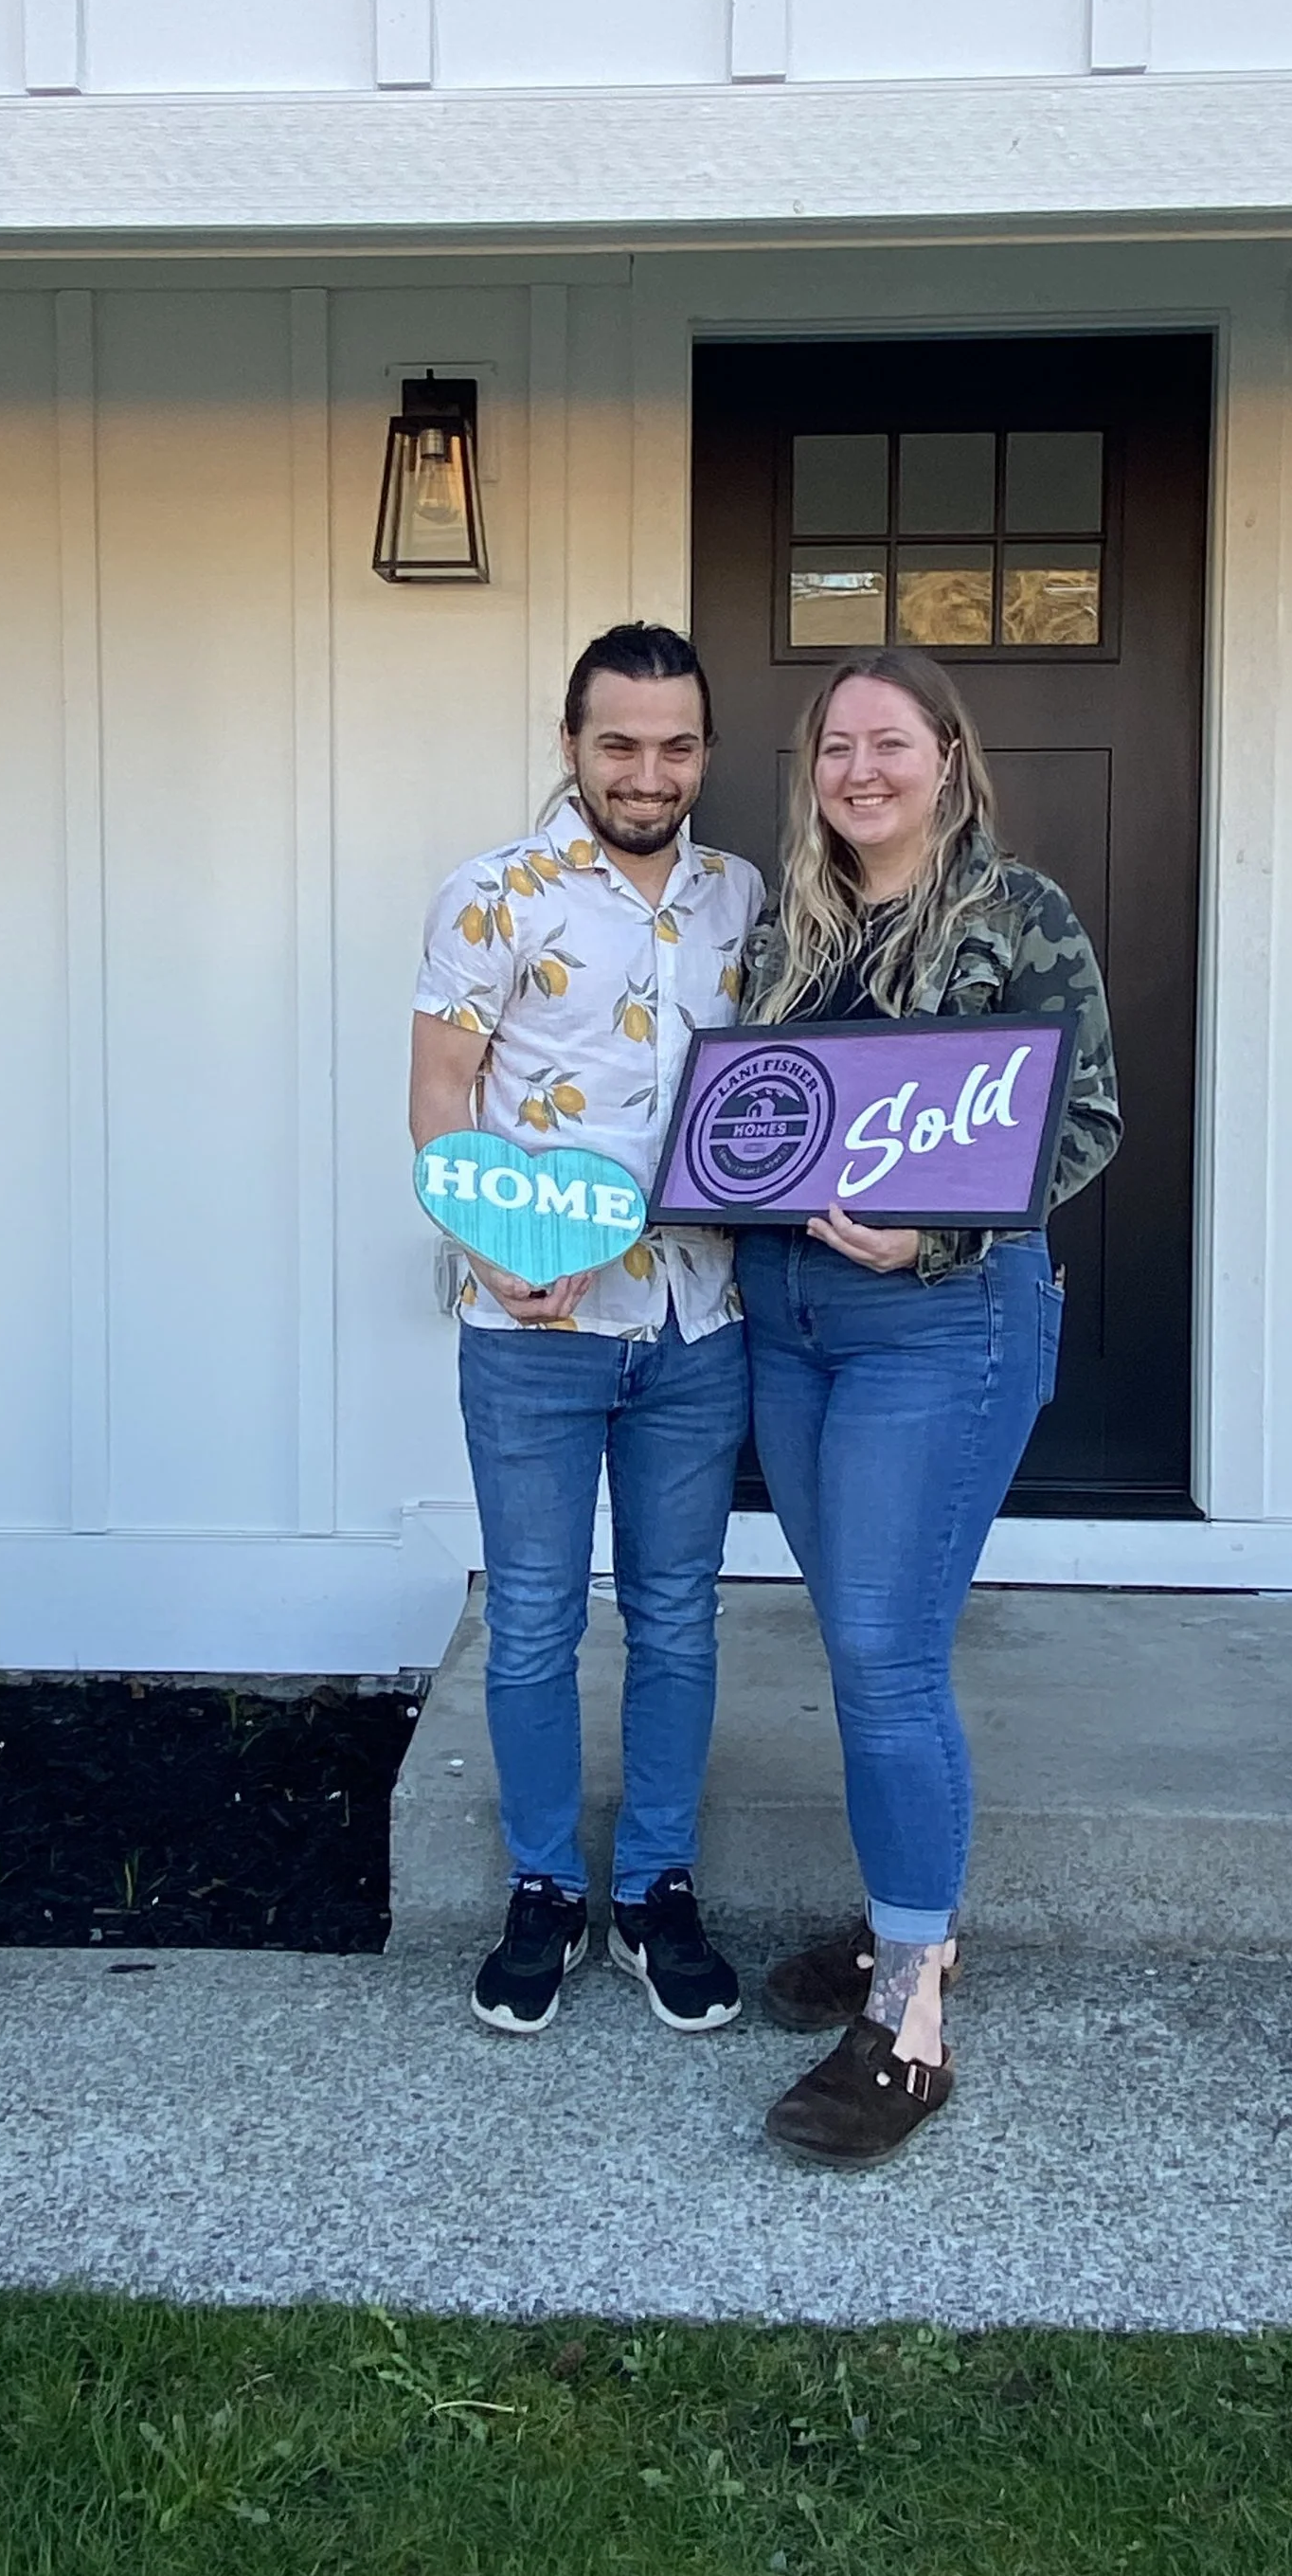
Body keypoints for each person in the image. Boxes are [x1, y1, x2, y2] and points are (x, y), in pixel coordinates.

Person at [734, 646, 1122, 2166]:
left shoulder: (1017, 917)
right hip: (791, 1323)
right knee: (858, 1648)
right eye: (837, 749)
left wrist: (936, 1231)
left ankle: (909, 2023)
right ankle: (914, 1923)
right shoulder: (788, 932)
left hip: (939, 1320)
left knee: (890, 1657)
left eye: (892, 744)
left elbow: (1084, 1117)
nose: (863, 773)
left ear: (948, 760)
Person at [411, 624, 764, 2039]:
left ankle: (657, 1891)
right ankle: (546, 1890)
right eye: (619, 743)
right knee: (538, 1622)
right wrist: (493, 1251)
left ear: (703, 753)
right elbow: (442, 1093)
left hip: (698, 1317)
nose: (647, 770)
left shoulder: (745, 898)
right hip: (533, 1326)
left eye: (675, 745)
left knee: (679, 1616)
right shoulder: (491, 895)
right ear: (572, 745)